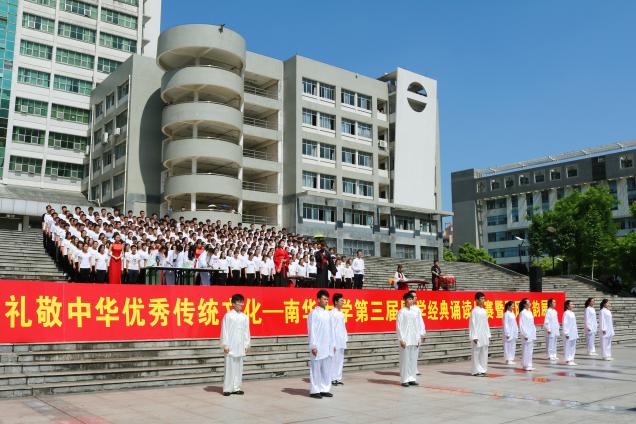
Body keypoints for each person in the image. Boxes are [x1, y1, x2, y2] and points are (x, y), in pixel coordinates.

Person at [220, 293, 251, 396]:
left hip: (240, 346)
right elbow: (224, 331)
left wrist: (246, 344)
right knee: (229, 368)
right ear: (233, 304)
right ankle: (227, 389)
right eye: (238, 302)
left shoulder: (244, 317)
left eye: (242, 302)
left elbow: (246, 332)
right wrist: (225, 344)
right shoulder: (228, 316)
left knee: (238, 368)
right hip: (230, 346)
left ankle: (236, 388)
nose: (241, 304)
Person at [307, 290, 335, 399]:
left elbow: (331, 330)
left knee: (326, 369)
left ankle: (324, 389)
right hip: (318, 346)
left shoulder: (328, 313)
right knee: (316, 369)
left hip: (327, 345)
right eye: (324, 299)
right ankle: (315, 390)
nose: (326, 301)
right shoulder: (313, 313)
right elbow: (311, 330)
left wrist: (333, 344)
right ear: (318, 300)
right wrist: (313, 346)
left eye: (327, 299)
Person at [397, 291, 421, 386]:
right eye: (409, 299)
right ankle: (404, 379)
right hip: (405, 339)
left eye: (412, 299)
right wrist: (401, 339)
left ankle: (412, 378)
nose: (411, 301)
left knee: (413, 360)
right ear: (404, 300)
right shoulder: (401, 312)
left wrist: (418, 338)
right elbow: (399, 327)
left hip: (414, 339)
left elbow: (417, 326)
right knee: (405, 360)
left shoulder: (414, 312)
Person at [469, 292, 491, 376]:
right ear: (476, 300)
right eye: (481, 299)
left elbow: (486, 323)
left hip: (484, 334)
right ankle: (475, 371)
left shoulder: (484, 311)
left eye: (484, 298)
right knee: (476, 353)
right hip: (477, 335)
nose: (483, 300)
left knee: (484, 352)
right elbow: (472, 324)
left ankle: (482, 369)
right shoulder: (474, 311)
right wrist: (474, 336)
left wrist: (488, 334)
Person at [330, 293, 348, 386]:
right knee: (334, 360)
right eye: (341, 300)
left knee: (340, 359)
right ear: (336, 302)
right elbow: (331, 328)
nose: (343, 302)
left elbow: (343, 327)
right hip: (335, 340)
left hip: (341, 340)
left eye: (343, 300)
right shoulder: (332, 313)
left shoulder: (341, 313)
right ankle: (332, 378)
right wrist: (332, 342)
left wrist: (345, 337)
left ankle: (338, 377)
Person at [408, 290, 426, 376]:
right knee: (409, 353)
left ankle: (414, 369)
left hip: (417, 334)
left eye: (416, 296)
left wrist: (423, 332)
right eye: (413, 296)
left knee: (415, 352)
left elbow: (420, 321)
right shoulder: (406, 309)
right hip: (409, 334)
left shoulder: (417, 309)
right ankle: (408, 369)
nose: (415, 298)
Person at [518, 298, 536, 371]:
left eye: (530, 302)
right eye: (528, 302)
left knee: (530, 350)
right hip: (526, 334)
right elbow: (521, 324)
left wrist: (534, 331)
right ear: (524, 304)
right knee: (526, 349)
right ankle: (525, 365)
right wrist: (524, 334)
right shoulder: (522, 313)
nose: (530, 303)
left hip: (531, 333)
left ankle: (529, 364)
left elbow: (532, 323)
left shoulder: (530, 312)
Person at [562, 300, 579, 366]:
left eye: (572, 304)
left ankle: (572, 359)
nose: (572, 305)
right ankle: (568, 360)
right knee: (568, 346)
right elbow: (565, 323)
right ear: (567, 305)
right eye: (571, 304)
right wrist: (566, 333)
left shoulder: (572, 313)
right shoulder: (566, 313)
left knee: (573, 346)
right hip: (569, 333)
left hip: (573, 332)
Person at [503, 301, 518, 365]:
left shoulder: (513, 313)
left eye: (514, 306)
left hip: (513, 332)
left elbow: (515, 323)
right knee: (507, 346)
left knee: (512, 346)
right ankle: (507, 359)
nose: (513, 307)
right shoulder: (506, 314)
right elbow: (505, 324)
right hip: (508, 332)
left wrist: (516, 331)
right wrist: (507, 333)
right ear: (508, 306)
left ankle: (511, 358)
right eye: (512, 306)